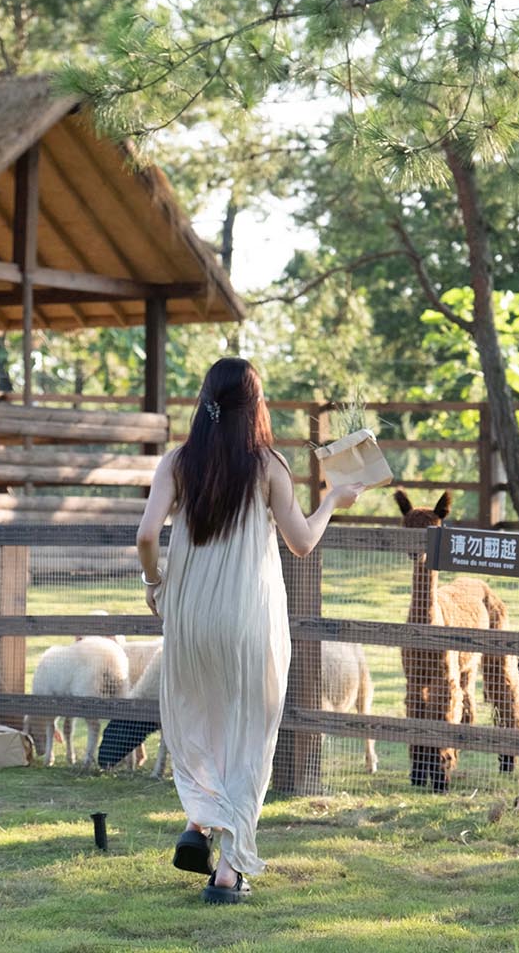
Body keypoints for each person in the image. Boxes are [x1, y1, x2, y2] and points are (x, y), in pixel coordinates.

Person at [135, 358, 364, 905]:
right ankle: (230, 873)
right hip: (245, 618)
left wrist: (154, 582)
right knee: (250, 733)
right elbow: (302, 542)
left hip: (188, 617)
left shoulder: (177, 462)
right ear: (254, 406)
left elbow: (147, 534)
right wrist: (333, 499)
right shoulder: (268, 466)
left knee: (202, 716)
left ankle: (198, 826)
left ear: (205, 401)